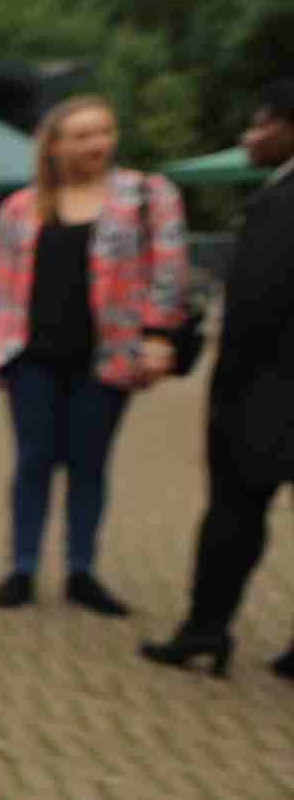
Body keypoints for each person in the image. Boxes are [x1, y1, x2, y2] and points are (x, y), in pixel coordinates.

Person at [0, 94, 187, 613]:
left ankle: (81, 571)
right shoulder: (19, 208)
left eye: (105, 132)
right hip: (30, 357)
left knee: (89, 463)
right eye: (84, 135)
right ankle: (22, 568)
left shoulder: (146, 196)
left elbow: (169, 268)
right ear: (54, 145)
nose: (98, 143)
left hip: (107, 356)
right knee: (33, 461)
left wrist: (159, 336)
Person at [143, 78, 294, 679]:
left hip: (264, 393)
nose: (249, 137)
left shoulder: (282, 202)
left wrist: (225, 383)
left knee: (233, 513)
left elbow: (258, 302)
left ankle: (205, 630)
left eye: (261, 123)